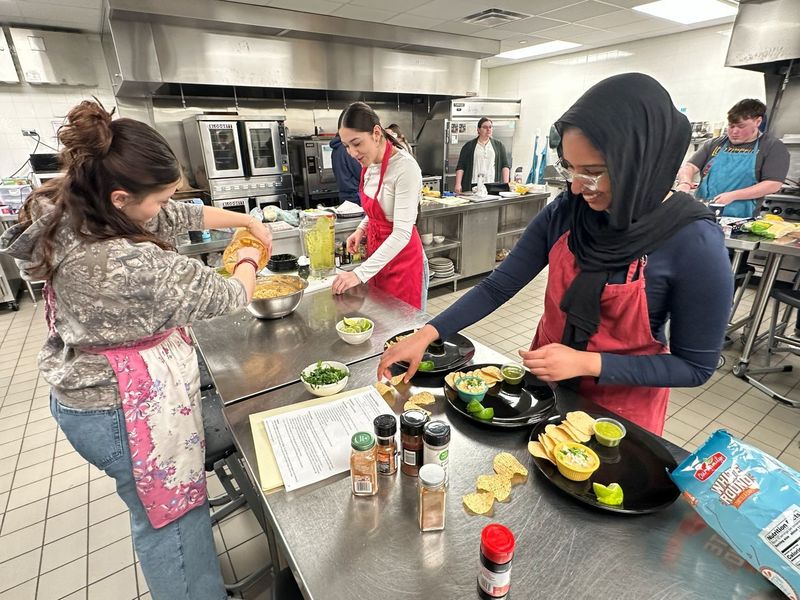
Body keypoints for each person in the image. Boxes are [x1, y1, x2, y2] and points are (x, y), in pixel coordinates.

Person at [0, 101, 272, 600]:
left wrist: (242, 220)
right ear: (122, 197)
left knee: (161, 508)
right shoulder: (127, 262)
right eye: (158, 198)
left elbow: (179, 213)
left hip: (83, 385)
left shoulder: (74, 204)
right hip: (121, 410)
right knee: (170, 518)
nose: (165, 208)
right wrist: (252, 255)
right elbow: (230, 296)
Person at [379, 73, 733, 436]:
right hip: (543, 391)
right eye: (569, 167)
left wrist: (587, 362)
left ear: (641, 163)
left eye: (593, 173)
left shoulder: (694, 243)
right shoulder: (568, 210)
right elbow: (499, 286)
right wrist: (428, 333)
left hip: (619, 416)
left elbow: (694, 367)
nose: (577, 187)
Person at [331, 102, 428, 310]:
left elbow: (401, 233)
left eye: (356, 143)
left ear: (376, 133)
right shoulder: (369, 163)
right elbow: (378, 209)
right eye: (347, 146)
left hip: (403, 262)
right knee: (380, 324)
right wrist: (361, 229)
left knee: (403, 330)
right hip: (377, 258)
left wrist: (359, 273)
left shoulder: (405, 168)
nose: (352, 153)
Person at [676, 99, 789, 218]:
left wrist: (733, 195)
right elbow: (689, 167)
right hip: (699, 214)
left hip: (739, 219)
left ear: (758, 121)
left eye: (741, 126)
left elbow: (773, 184)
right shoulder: (714, 144)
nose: (734, 131)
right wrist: (684, 182)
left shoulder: (772, 146)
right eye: (731, 126)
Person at [454, 117, 511, 194]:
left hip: (492, 185)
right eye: (485, 127)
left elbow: (505, 166)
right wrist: (458, 184)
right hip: (473, 185)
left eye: (490, 127)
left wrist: (506, 184)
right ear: (478, 129)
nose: (488, 129)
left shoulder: (499, 145)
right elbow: (461, 166)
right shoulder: (469, 146)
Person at [330, 110, 364, 205]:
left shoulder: (335, 149)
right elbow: (361, 174)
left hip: (344, 195)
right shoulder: (347, 149)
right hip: (356, 196)